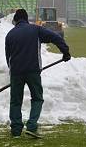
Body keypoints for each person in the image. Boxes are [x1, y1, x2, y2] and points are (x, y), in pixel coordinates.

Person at [5, 8, 71, 138]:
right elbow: (55, 37)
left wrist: (13, 72)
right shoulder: (35, 30)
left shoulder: (10, 34)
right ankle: (32, 125)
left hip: (16, 72)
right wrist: (65, 52)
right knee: (37, 98)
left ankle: (16, 130)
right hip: (33, 71)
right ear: (26, 19)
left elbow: (8, 56)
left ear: (15, 20)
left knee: (15, 101)